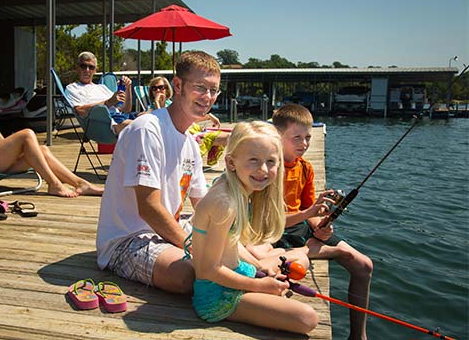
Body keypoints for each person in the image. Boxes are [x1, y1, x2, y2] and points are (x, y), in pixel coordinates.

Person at [95, 51, 222, 294]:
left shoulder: (191, 144)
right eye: (200, 87)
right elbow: (148, 208)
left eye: (213, 90)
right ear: (178, 85)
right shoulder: (147, 130)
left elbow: (203, 206)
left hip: (166, 231)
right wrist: (196, 246)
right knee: (187, 274)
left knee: (234, 247)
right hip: (127, 240)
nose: (208, 97)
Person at [250, 103, 373, 340]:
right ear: (277, 136)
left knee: (364, 264)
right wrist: (309, 215)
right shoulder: (265, 170)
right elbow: (269, 222)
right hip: (272, 233)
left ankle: (359, 335)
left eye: (308, 137)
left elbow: (310, 211)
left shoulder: (306, 167)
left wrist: (321, 225)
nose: (304, 144)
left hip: (301, 228)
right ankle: (300, 253)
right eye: (296, 137)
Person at [188, 121, 318, 333]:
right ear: (231, 162)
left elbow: (231, 242)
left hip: (238, 271)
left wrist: (260, 267)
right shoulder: (225, 203)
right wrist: (260, 285)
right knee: (307, 319)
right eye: (253, 160)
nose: (263, 170)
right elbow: (207, 270)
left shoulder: (237, 188)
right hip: (217, 295)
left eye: (270, 161)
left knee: (299, 259)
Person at [0, 69, 104, 198]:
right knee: (26, 134)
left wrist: (22, 150)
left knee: (42, 150)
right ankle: (54, 184)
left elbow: (1, 142)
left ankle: (80, 183)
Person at [147, 76, 230, 166]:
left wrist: (209, 116)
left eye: (161, 87)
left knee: (229, 137)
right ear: (151, 92)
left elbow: (188, 118)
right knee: (227, 138)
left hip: (193, 129)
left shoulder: (173, 104)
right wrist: (157, 103)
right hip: (186, 134)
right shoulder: (151, 109)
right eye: (154, 88)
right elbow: (162, 123)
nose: (158, 91)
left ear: (167, 89)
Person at [65, 51, 134, 135]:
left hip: (121, 116)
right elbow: (80, 111)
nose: (87, 70)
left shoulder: (102, 88)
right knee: (139, 126)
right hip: (105, 123)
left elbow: (126, 109)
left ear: (95, 70)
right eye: (83, 66)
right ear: (77, 68)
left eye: (91, 67)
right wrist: (107, 102)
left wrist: (128, 88)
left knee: (150, 118)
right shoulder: (72, 88)